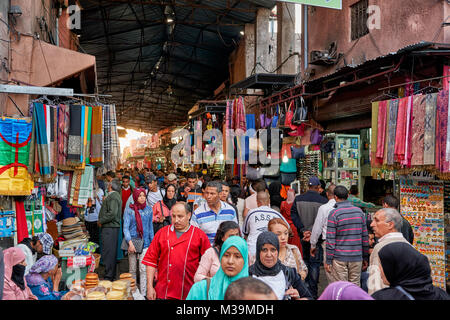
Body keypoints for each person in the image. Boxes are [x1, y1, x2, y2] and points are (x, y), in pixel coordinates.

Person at [142, 202, 211, 300]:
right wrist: (149, 287)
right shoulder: (162, 233)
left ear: (189, 215)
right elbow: (151, 261)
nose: (176, 220)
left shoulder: (199, 235)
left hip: (189, 292)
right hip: (163, 292)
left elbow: (208, 264)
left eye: (180, 216)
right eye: (173, 216)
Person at [290, 176, 327, 298]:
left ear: (308, 186)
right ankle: (313, 291)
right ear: (318, 188)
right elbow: (324, 220)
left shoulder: (298, 199)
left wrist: (303, 230)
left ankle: (304, 288)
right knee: (315, 264)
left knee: (304, 261)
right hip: (316, 238)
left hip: (303, 236)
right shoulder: (323, 201)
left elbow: (293, 215)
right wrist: (312, 234)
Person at [371, 242, 449, 300]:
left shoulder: (382, 297)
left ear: (396, 267)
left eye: (382, 264)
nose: (379, 268)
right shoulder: (441, 295)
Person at [325, 185, 369, 287]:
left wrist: (328, 260)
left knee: (342, 287)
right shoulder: (359, 212)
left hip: (339, 258)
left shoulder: (334, 213)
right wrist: (365, 257)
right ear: (348, 195)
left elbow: (331, 239)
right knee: (355, 287)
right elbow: (365, 237)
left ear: (335, 197)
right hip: (357, 257)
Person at [248, 231, 313, 300]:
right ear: (258, 252)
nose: (269, 255)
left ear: (278, 251)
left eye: (273, 250)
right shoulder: (248, 274)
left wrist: (298, 297)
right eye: (264, 250)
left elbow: (309, 297)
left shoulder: (289, 273)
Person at [187, 236, 249, 300]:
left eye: (237, 256)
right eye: (226, 255)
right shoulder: (200, 289)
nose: (230, 261)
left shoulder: (252, 294)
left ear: (245, 261)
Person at [367, 208, 411, 295]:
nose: (372, 224)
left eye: (377, 220)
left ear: (390, 225)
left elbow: (376, 287)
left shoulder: (381, 248)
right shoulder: (409, 246)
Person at [123, 187, 154, 296]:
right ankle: (134, 293)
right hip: (132, 243)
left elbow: (150, 228)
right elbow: (125, 228)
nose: (142, 198)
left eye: (144, 196)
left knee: (143, 269)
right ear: (135, 197)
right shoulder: (129, 210)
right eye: (139, 196)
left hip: (145, 243)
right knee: (132, 269)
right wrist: (130, 243)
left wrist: (152, 244)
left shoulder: (149, 210)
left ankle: (143, 294)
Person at [242, 191, 289, 257]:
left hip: (252, 249)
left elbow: (245, 232)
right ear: (269, 201)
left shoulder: (251, 213)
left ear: (257, 201)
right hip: (270, 251)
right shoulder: (276, 213)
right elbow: (288, 228)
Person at [310, 183, 336, 283]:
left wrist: (313, 244)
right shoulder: (345, 208)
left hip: (328, 243)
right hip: (343, 244)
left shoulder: (324, 208)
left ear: (327, 194)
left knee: (331, 274)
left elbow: (317, 228)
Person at [98, 179, 122, 281]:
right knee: (110, 252)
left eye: (109, 184)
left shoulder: (113, 196)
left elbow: (112, 213)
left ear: (111, 186)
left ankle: (109, 276)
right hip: (110, 227)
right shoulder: (113, 196)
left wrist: (101, 221)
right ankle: (110, 274)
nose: (107, 185)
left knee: (109, 252)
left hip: (109, 227)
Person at [280, 189, 302, 253]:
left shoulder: (283, 204)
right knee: (295, 245)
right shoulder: (295, 204)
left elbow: (281, 215)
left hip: (285, 226)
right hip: (294, 227)